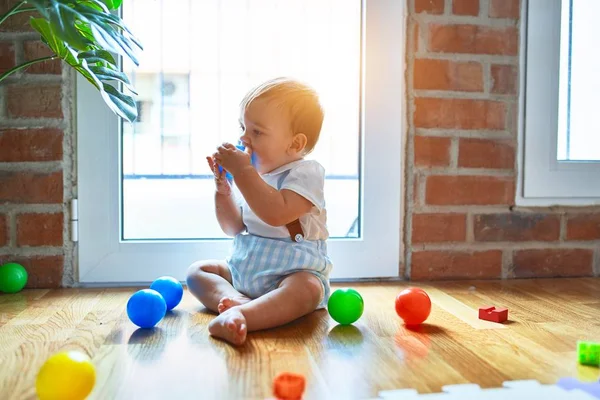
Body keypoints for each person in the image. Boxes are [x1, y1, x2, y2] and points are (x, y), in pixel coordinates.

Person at [186, 77, 333, 345]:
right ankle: (236, 302)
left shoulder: (306, 173)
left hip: (289, 276)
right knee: (197, 272)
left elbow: (276, 213)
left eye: (257, 132)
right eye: (243, 127)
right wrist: (223, 189)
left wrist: (242, 172)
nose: (244, 138)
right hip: (245, 269)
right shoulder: (253, 176)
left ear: (295, 144)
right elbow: (232, 227)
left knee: (308, 289)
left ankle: (242, 317)